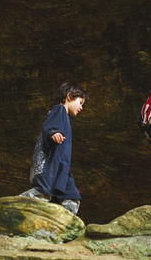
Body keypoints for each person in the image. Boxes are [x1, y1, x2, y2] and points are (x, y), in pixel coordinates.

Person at [19, 82, 89, 215]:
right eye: (80, 102)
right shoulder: (59, 110)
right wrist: (53, 132)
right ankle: (13, 206)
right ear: (69, 96)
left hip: (61, 169)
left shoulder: (64, 116)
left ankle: (60, 221)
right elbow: (49, 127)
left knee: (71, 197)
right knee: (43, 193)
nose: (81, 108)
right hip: (49, 167)